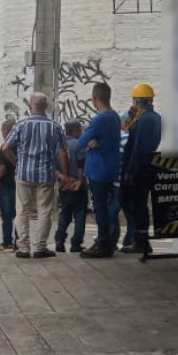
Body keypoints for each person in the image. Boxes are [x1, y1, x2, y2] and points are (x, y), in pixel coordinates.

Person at [2, 93, 69, 259]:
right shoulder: (55, 126)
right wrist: (65, 174)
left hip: (24, 173)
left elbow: (5, 148)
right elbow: (62, 152)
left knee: (22, 210)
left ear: (29, 107)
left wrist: (17, 162)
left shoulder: (21, 124)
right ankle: (40, 247)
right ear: (46, 107)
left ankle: (23, 247)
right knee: (44, 210)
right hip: (46, 174)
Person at [78, 82, 123, 258]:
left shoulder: (99, 119)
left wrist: (92, 143)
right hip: (111, 167)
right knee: (108, 206)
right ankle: (109, 240)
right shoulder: (115, 118)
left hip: (97, 169)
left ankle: (102, 241)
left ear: (94, 98)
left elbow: (82, 141)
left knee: (100, 208)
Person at [121, 83, 163, 254]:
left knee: (138, 205)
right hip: (144, 167)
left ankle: (142, 242)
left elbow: (139, 148)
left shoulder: (145, 119)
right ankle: (140, 240)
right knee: (138, 205)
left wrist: (131, 171)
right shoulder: (151, 117)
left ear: (137, 100)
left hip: (140, 169)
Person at [54, 121, 88, 253]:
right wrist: (80, 181)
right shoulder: (79, 145)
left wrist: (63, 177)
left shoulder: (58, 146)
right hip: (76, 185)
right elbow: (81, 165)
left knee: (65, 214)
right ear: (75, 131)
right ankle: (76, 243)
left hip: (63, 184)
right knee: (80, 215)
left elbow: (53, 167)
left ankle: (59, 240)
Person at [0, 118, 18, 251]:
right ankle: (19, 241)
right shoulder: (21, 144)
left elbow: (1, 167)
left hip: (6, 185)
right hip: (19, 183)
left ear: (5, 130)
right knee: (20, 214)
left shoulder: (6, 146)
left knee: (7, 215)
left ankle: (7, 241)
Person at [115, 107, 137, 251]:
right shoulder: (137, 137)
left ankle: (121, 239)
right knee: (132, 211)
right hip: (135, 179)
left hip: (121, 179)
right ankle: (130, 238)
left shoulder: (122, 138)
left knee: (119, 210)